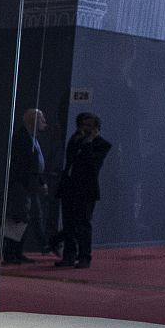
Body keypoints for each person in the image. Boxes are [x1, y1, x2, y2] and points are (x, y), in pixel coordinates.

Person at [54, 112, 110, 269]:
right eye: (83, 125)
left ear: (96, 128)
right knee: (69, 224)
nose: (85, 129)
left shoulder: (102, 145)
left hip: (86, 191)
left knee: (83, 225)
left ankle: (85, 257)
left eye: (90, 126)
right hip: (69, 188)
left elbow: (93, 164)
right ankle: (69, 255)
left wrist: (89, 142)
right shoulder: (75, 139)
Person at [2, 107, 46, 264]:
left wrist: (40, 182)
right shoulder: (22, 138)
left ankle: (17, 252)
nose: (44, 123)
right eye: (41, 119)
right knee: (18, 219)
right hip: (22, 185)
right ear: (32, 120)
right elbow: (22, 165)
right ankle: (10, 253)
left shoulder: (31, 137)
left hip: (30, 185)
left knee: (24, 219)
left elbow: (34, 164)